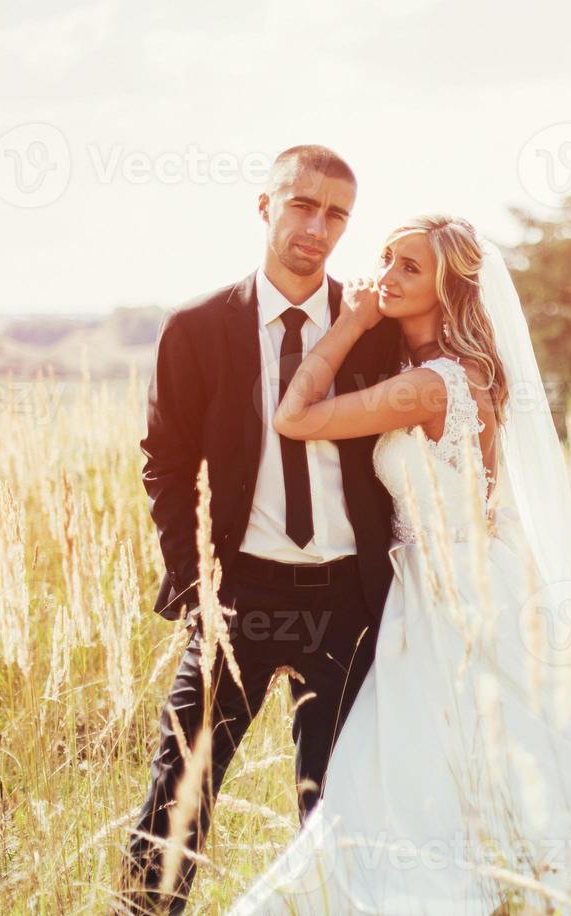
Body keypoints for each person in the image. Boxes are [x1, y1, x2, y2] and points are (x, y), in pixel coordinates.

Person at [226, 213, 571, 914]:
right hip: (478, 575)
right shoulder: (468, 370)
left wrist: (352, 322)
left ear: (449, 287)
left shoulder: (429, 386)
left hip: (444, 591)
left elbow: (296, 416)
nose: (384, 276)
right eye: (385, 258)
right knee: (508, 750)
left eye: (408, 268)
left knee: (420, 769)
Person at [118, 146, 403, 914]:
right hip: (239, 596)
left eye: (337, 213)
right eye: (302, 205)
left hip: (349, 598)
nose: (318, 226)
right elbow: (166, 464)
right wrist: (193, 586)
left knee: (337, 808)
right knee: (178, 794)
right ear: (265, 205)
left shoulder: (373, 330)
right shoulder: (198, 328)